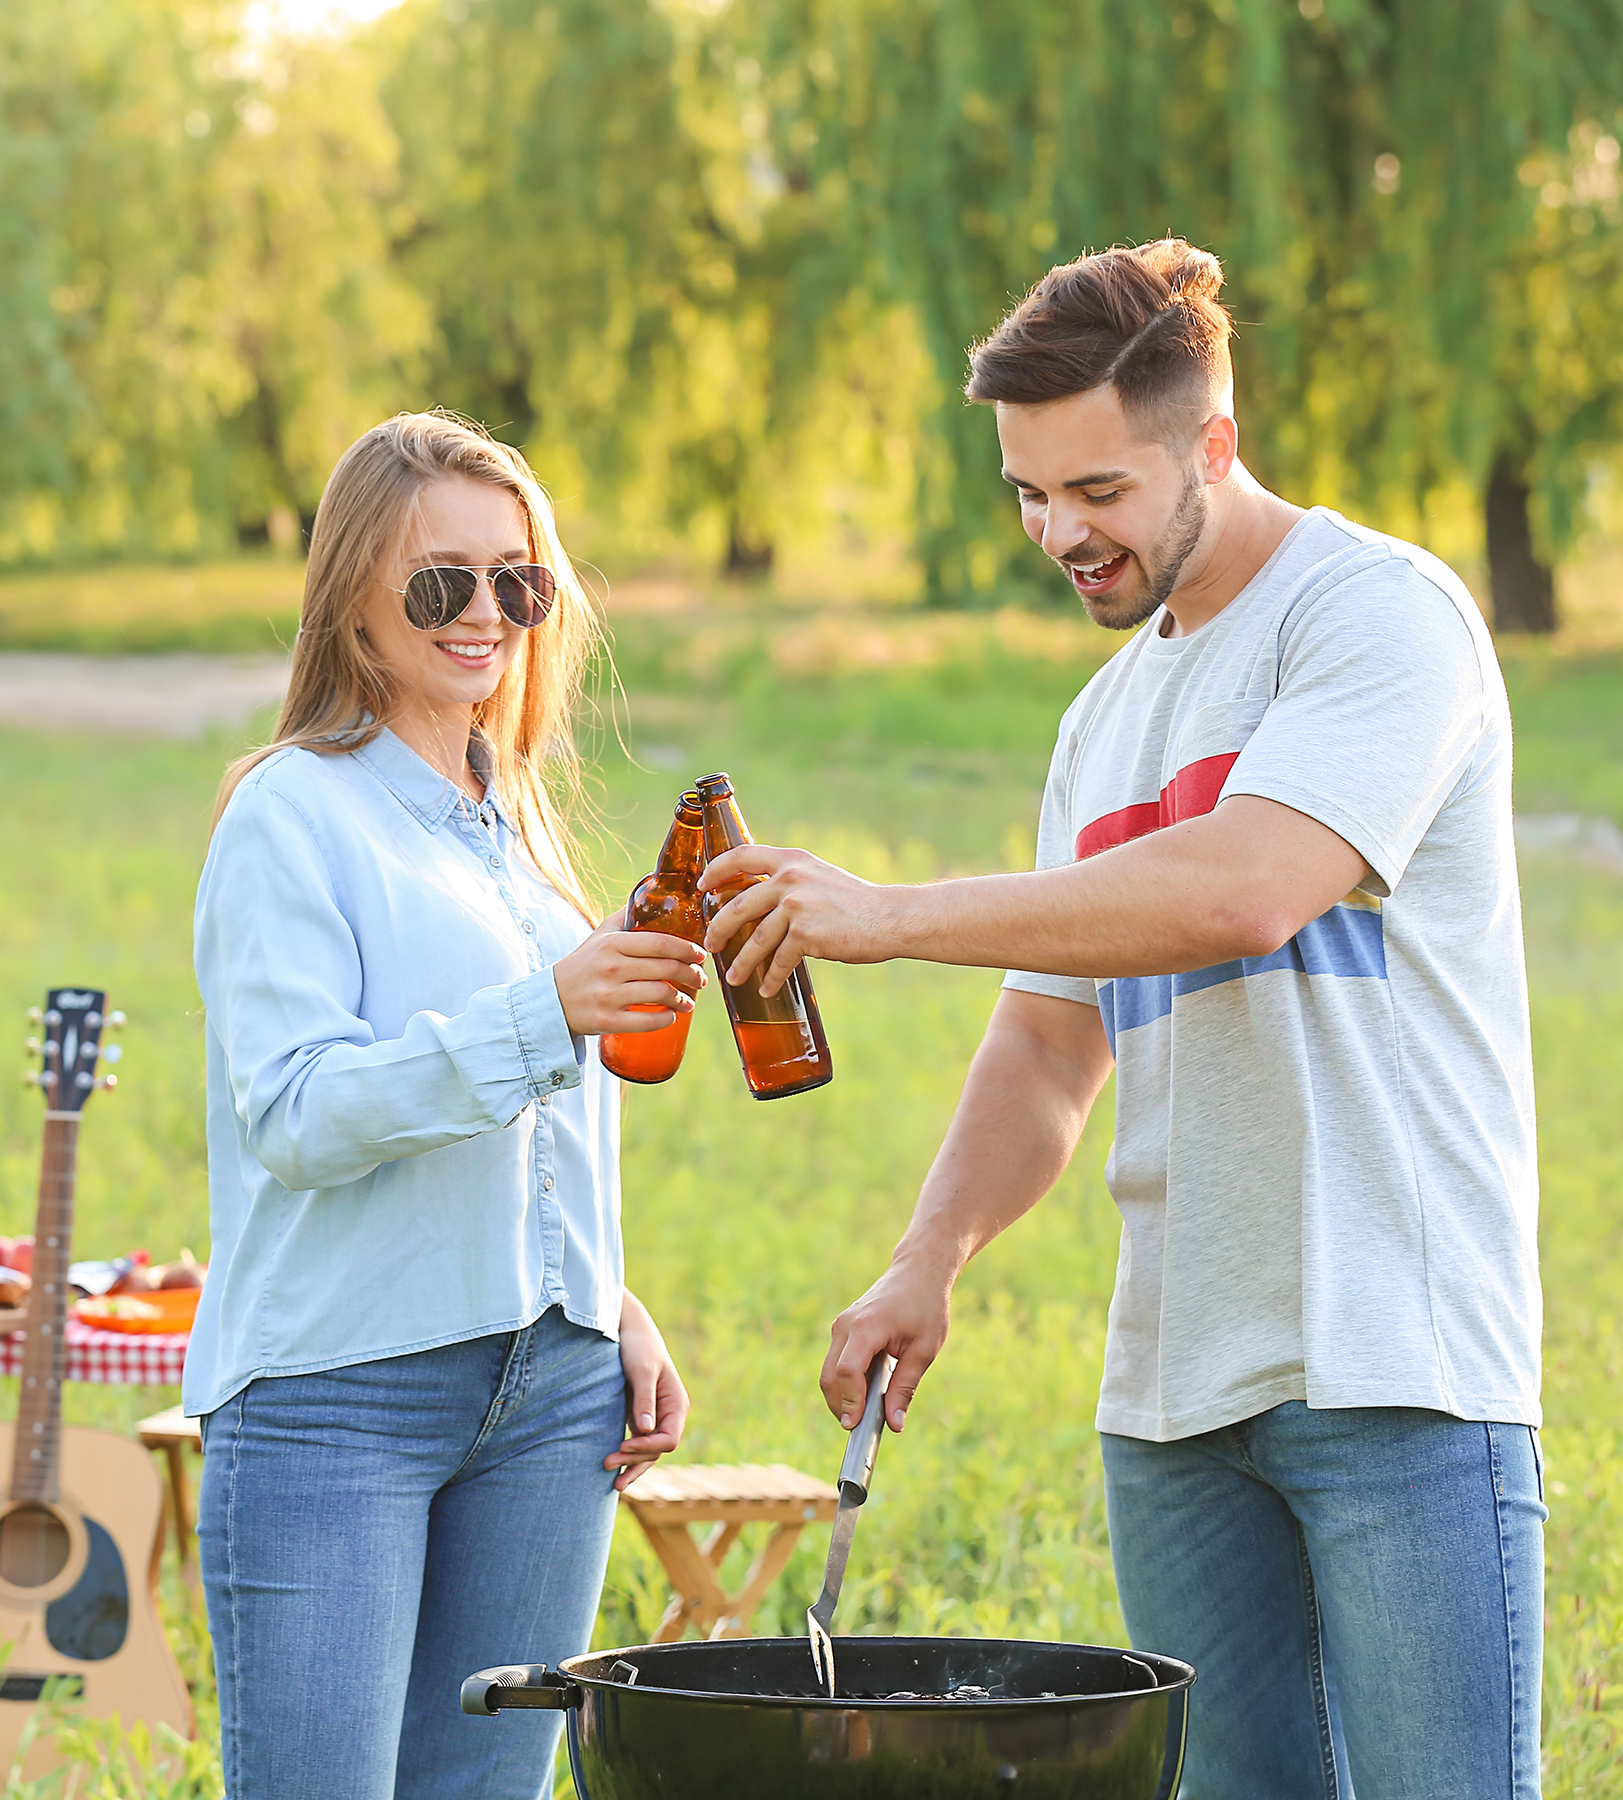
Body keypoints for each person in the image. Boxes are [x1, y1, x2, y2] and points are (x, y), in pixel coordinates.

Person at [698, 241, 1543, 1799]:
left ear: (1210, 446)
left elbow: (1248, 889)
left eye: (1097, 492)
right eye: (1028, 494)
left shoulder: (1379, 615)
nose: (1056, 534)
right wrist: (927, 1257)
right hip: (1172, 1392)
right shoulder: (1105, 721)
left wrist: (885, 917)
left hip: (1393, 1361)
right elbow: (1047, 1041)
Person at [185, 411, 704, 1800]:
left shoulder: (513, 812)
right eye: (440, 583)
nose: (487, 615)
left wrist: (611, 1301)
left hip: (551, 1402)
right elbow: (295, 1112)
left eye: (516, 581)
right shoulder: (292, 815)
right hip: (335, 1400)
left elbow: (535, 1133)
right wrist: (548, 1013)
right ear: (354, 596)